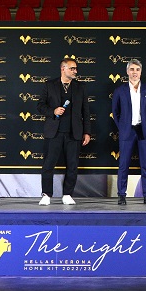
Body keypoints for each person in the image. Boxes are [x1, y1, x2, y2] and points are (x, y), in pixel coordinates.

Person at [36, 57, 91, 205]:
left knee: (72, 165)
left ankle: (67, 194)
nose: (75, 71)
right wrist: (53, 111)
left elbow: (86, 111)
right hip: (54, 132)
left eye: (76, 69)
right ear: (63, 69)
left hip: (74, 133)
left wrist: (87, 132)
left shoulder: (81, 87)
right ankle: (46, 194)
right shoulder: (49, 85)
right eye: (72, 68)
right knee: (48, 164)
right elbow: (40, 106)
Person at [111, 59, 146, 205]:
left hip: (143, 130)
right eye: (132, 69)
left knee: (145, 164)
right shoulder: (120, 90)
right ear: (127, 72)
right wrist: (123, 127)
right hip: (127, 131)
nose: (134, 72)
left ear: (141, 72)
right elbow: (115, 112)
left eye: (137, 69)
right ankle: (121, 195)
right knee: (123, 164)